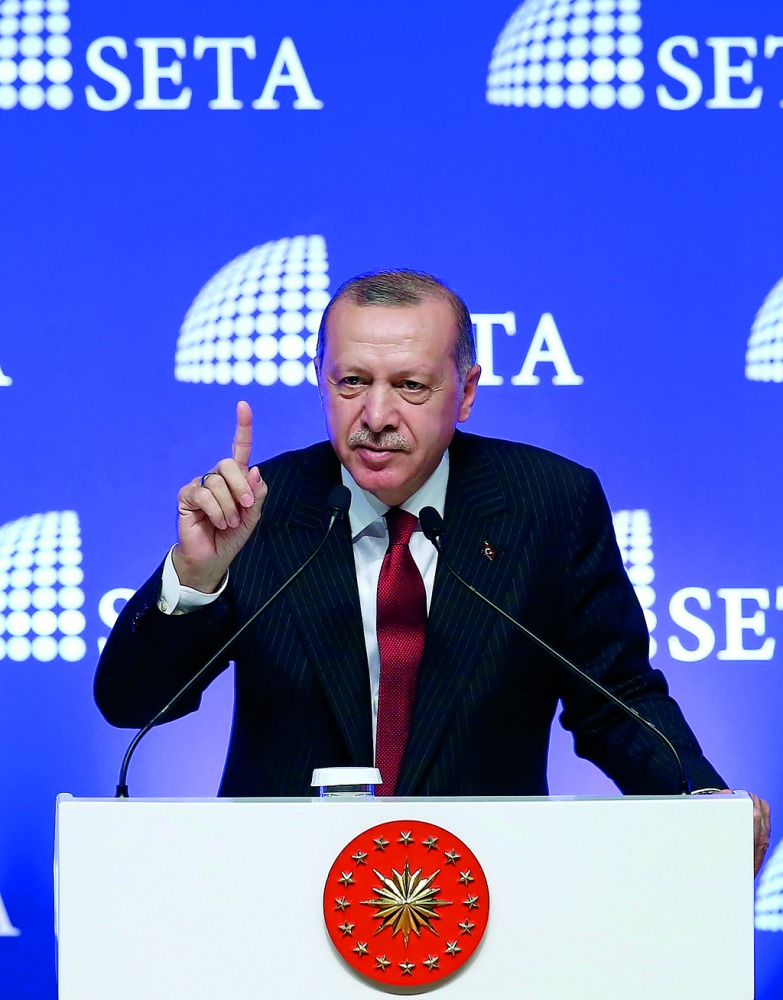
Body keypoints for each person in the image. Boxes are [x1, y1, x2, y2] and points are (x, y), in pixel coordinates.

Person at [94, 269, 770, 873]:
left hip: (486, 891)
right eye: (351, 382)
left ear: (466, 391)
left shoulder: (548, 504)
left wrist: (698, 798)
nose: (376, 416)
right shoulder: (258, 507)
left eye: (410, 385)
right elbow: (130, 705)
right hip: (281, 891)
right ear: (321, 380)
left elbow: (615, 699)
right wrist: (195, 575)